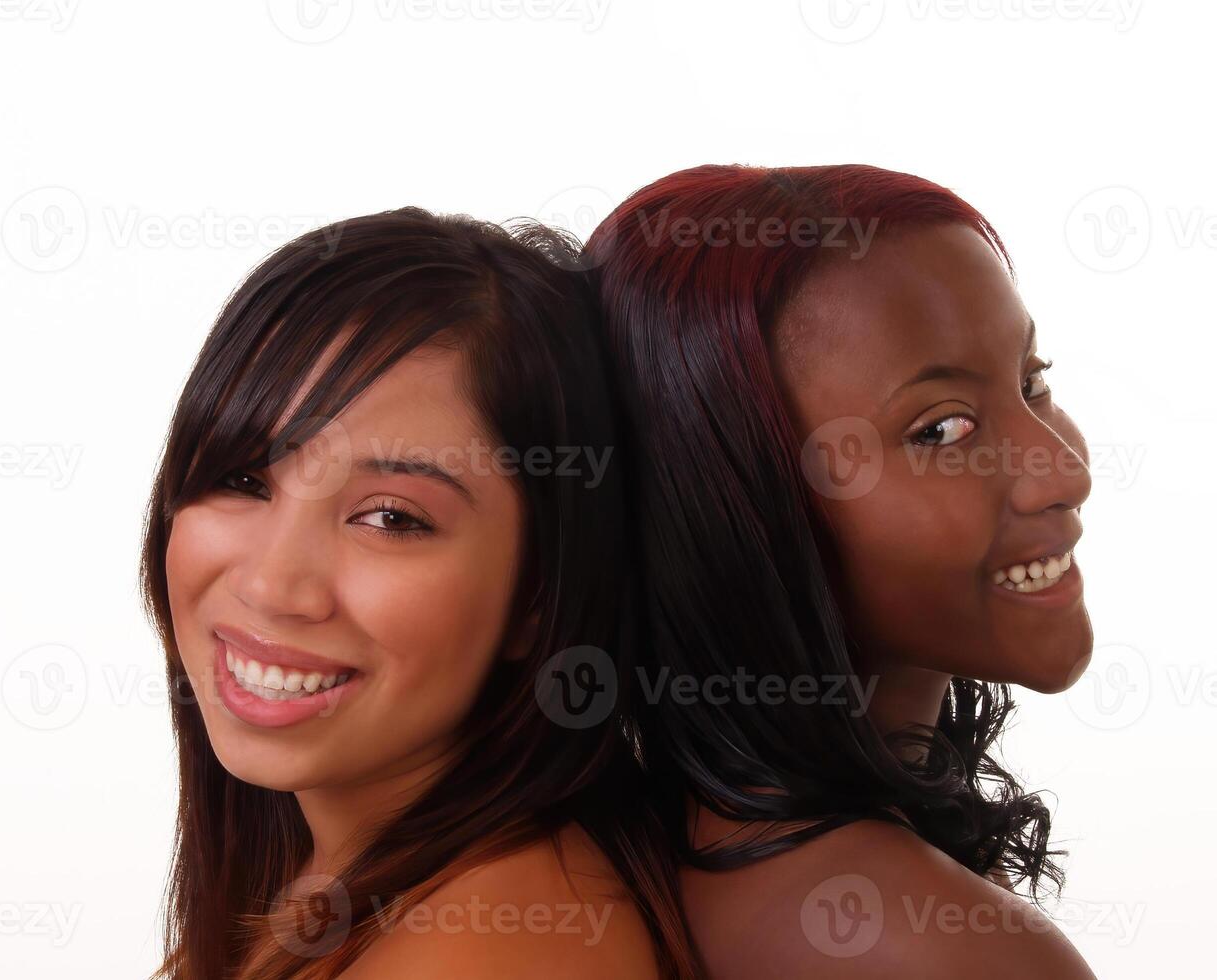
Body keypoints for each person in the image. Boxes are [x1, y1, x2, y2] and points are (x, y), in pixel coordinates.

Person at [139, 208, 700, 978]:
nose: (272, 585)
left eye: (389, 517)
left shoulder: (491, 949)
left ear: (541, 591)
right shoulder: (331, 880)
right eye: (241, 479)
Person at [583, 164, 1098, 978]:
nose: (1061, 469)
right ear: (729, 504)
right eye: (940, 429)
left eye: (1031, 383)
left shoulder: (677, 844)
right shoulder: (940, 950)